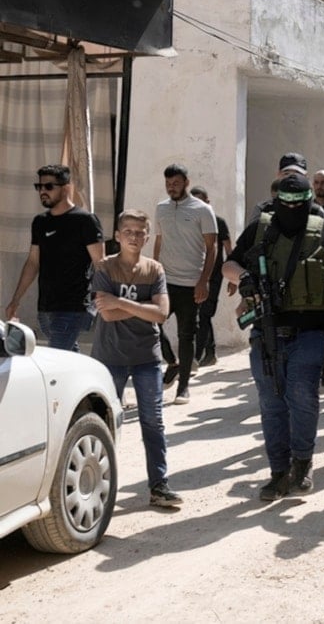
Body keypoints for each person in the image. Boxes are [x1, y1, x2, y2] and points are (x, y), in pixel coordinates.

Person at [222, 172, 324, 501]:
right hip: (266, 330)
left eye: (298, 205)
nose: (291, 211)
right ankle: (278, 471)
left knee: (301, 396)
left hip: (312, 331)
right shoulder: (261, 229)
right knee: (271, 402)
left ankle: (302, 463)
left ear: (309, 203)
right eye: (285, 204)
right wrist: (244, 279)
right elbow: (229, 264)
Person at [90, 209, 182, 507]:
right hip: (109, 358)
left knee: (152, 422)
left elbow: (161, 314)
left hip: (147, 358)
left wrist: (119, 302)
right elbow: (106, 313)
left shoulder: (154, 269)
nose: (134, 237)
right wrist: (141, 307)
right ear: (117, 236)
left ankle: (159, 486)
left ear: (147, 235)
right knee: (105, 424)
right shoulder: (104, 267)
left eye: (140, 232)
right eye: (128, 231)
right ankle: (100, 489)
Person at [6, 164, 104, 351]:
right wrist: (16, 299)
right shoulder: (40, 222)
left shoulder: (85, 221)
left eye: (49, 187)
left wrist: (103, 300)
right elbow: (33, 263)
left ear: (66, 188)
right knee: (67, 354)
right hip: (45, 305)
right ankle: (83, 377)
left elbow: (100, 263)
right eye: (39, 187)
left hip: (73, 305)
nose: (43, 191)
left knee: (57, 352)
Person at [154, 164, 218, 404]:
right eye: (168, 184)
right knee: (150, 322)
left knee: (186, 333)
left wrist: (204, 281)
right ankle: (172, 361)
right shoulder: (161, 208)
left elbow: (212, 249)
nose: (172, 188)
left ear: (186, 182)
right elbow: (160, 241)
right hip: (165, 281)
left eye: (176, 183)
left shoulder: (202, 210)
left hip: (191, 283)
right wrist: (154, 271)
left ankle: (183, 386)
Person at [189, 186, 232, 367]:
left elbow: (230, 251)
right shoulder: (190, 223)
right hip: (194, 275)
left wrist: (233, 278)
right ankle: (210, 352)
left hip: (214, 275)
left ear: (208, 202)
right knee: (199, 315)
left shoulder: (219, 222)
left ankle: (197, 357)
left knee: (205, 313)